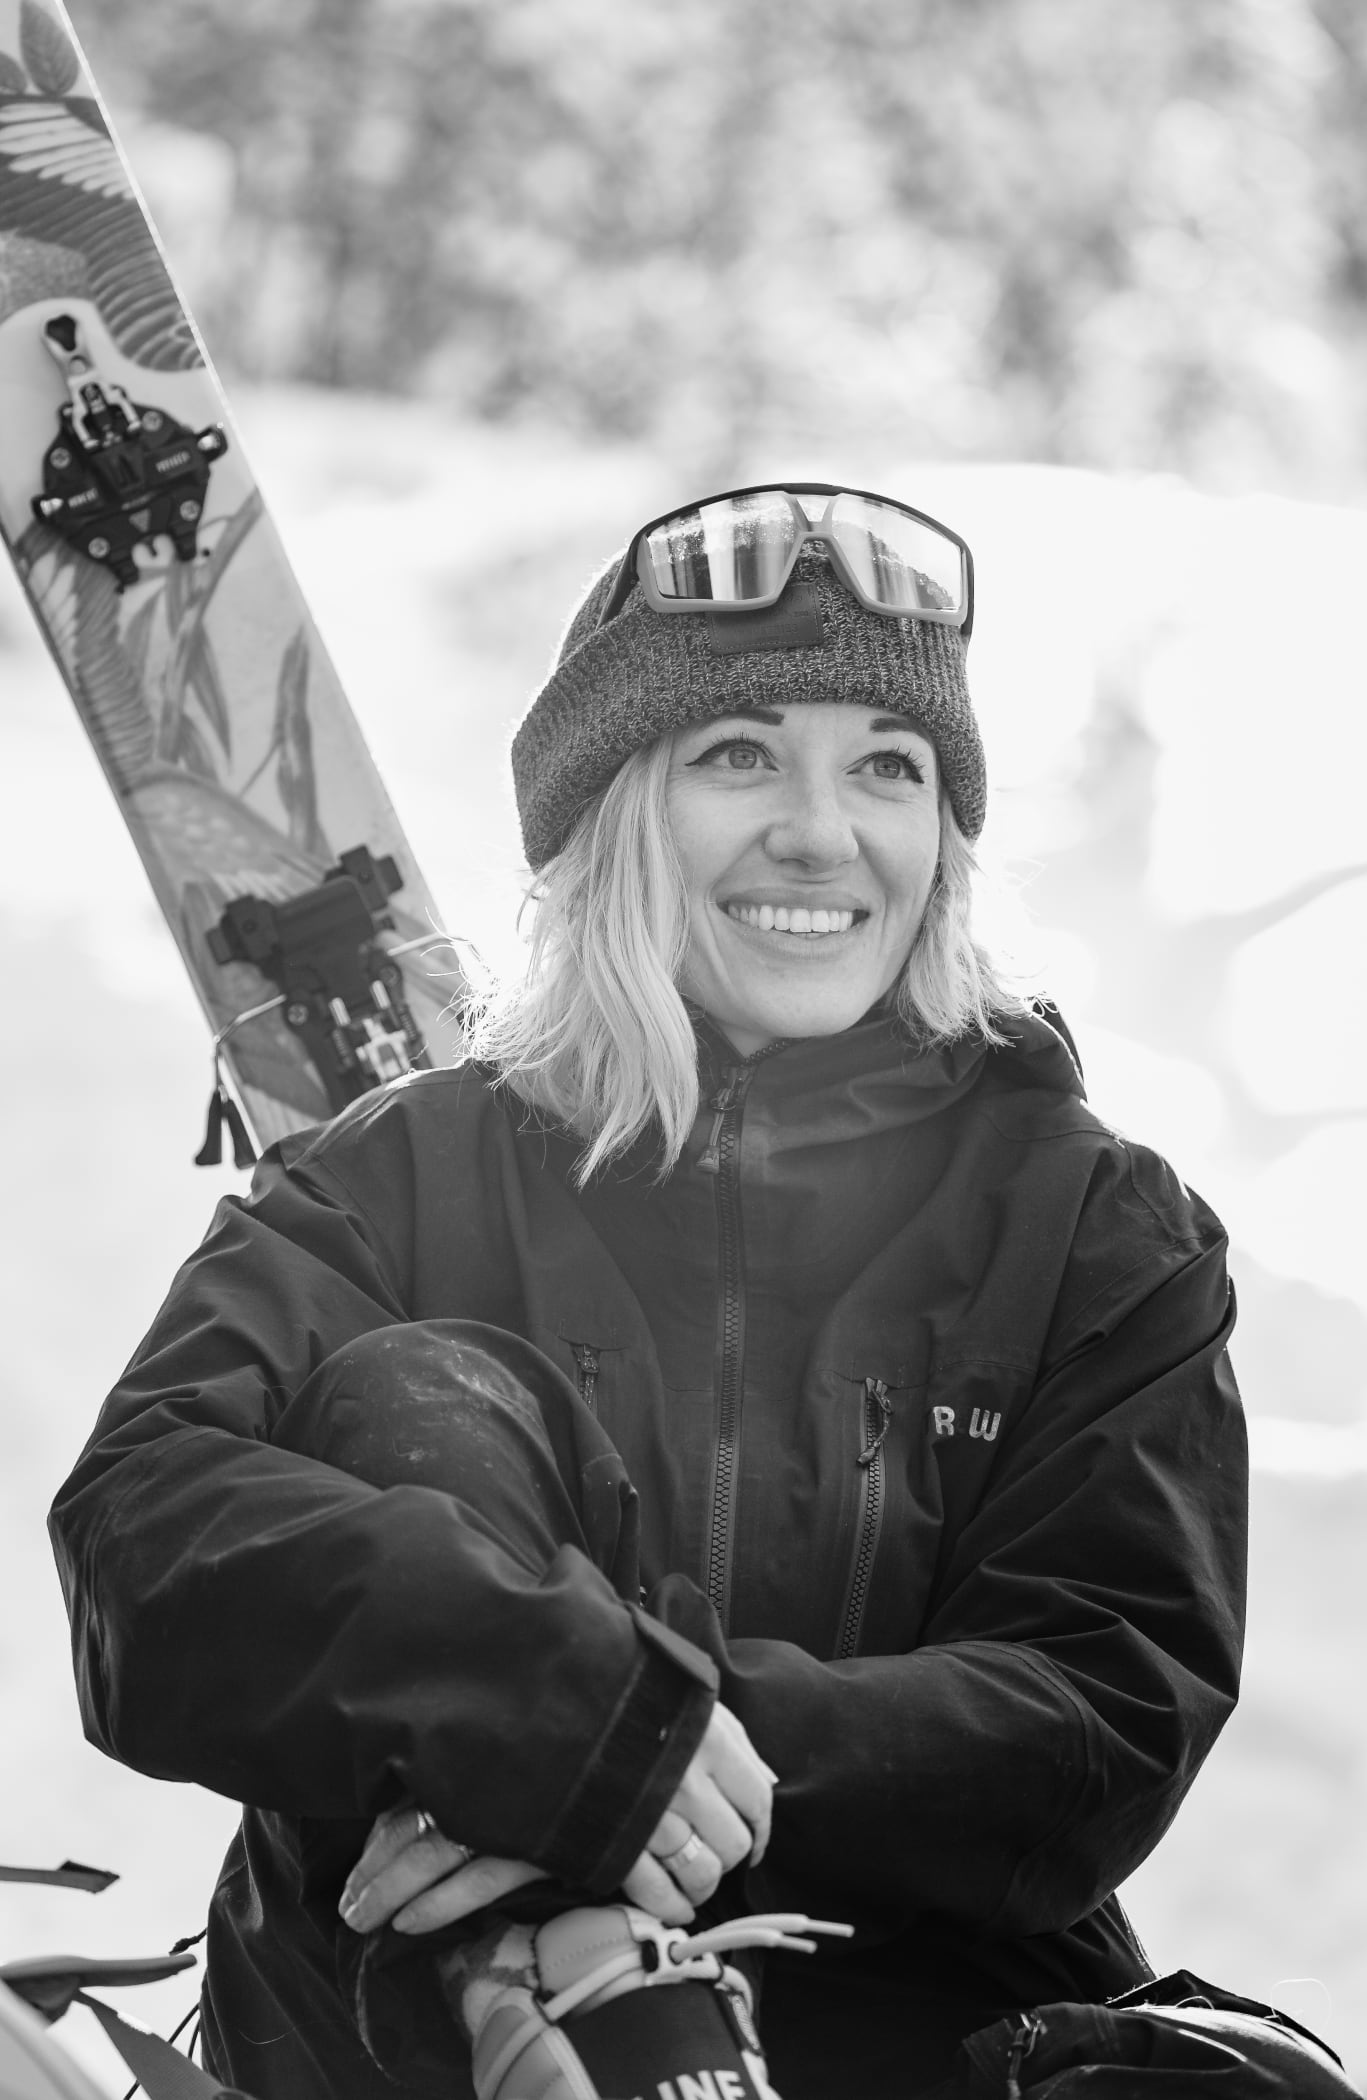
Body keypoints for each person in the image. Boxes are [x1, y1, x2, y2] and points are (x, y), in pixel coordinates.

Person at [49, 485, 1247, 2100]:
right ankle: (576, 2012)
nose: (823, 835)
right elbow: (146, 1535)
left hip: (897, 2032)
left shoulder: (1097, 1230)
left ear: (943, 839)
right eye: (739, 753)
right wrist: (543, 1710)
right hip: (409, 2042)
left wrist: (658, 1757)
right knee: (418, 1400)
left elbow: (1099, 1709)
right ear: (615, 805)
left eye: (887, 768)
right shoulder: (400, 1175)